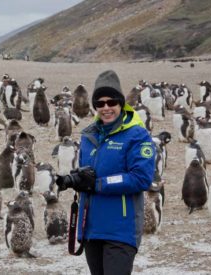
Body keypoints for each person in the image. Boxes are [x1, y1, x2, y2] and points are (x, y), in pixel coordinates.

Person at [56, 70, 155, 275]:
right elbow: (90, 173)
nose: (106, 108)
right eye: (100, 103)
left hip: (120, 229)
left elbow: (141, 178)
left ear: (121, 103)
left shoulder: (136, 135)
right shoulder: (89, 136)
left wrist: (98, 184)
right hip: (92, 227)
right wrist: (74, 179)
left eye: (111, 102)